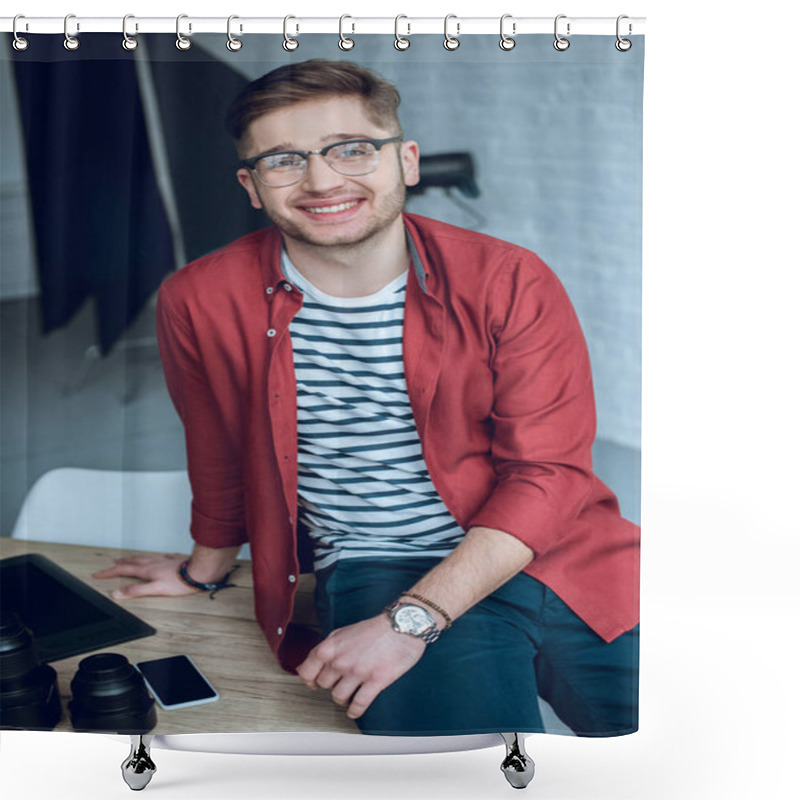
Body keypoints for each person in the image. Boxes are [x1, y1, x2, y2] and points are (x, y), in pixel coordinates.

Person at [95, 59, 639, 737]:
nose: (323, 181)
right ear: (252, 186)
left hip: (559, 548)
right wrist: (205, 570)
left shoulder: (510, 279)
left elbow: (551, 476)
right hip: (380, 560)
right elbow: (217, 452)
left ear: (406, 160)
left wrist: (411, 621)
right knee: (462, 776)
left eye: (352, 149)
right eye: (285, 160)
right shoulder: (198, 299)